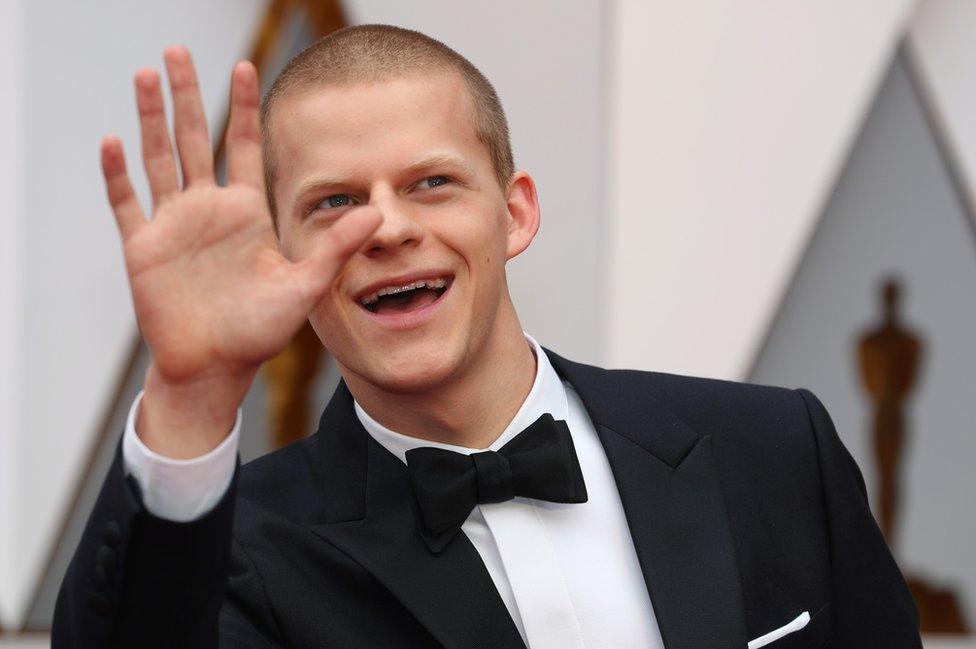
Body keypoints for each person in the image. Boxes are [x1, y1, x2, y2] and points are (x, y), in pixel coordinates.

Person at [53, 25, 921, 649]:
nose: (386, 227)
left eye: (431, 182)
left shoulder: (772, 450)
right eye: (335, 202)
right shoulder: (241, 549)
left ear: (515, 213)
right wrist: (192, 393)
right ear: (280, 256)